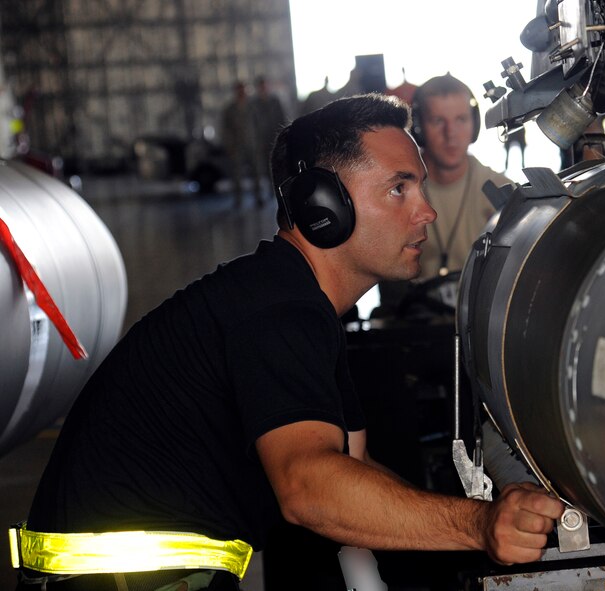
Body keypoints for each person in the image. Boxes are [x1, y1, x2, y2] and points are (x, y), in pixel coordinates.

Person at [11, 93, 564, 591]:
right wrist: (478, 526)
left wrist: (485, 515)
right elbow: (310, 488)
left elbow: (352, 463)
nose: (427, 211)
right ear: (322, 205)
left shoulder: (300, 304)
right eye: (399, 187)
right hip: (116, 580)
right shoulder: (278, 310)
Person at [411, 74, 513, 280]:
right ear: (418, 128)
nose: (451, 134)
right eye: (438, 121)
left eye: (461, 119)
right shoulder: (398, 192)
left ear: (474, 125)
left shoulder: (501, 192)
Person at [220, 80, 263, 208]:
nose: (242, 92)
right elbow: (225, 129)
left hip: (252, 144)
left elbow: (258, 126)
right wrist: (229, 145)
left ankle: (258, 197)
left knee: (256, 173)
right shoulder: (230, 109)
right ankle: (238, 200)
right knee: (237, 175)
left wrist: (259, 142)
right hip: (237, 146)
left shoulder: (252, 107)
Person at [251, 75, 287, 202]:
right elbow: (253, 123)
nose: (263, 88)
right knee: (260, 169)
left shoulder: (274, 101)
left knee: (276, 167)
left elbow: (282, 118)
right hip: (260, 141)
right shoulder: (254, 104)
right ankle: (261, 195)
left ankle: (277, 192)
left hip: (274, 139)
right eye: (261, 86)